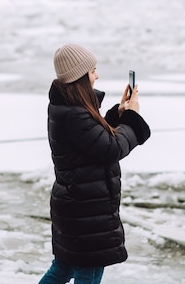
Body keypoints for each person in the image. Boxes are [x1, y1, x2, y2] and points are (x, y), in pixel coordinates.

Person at [39, 44, 151, 284]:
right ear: (80, 77)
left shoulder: (67, 108)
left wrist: (119, 114)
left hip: (75, 205)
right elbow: (111, 148)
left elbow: (91, 141)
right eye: (92, 70)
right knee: (87, 273)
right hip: (85, 211)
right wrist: (133, 119)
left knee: (62, 268)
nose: (96, 75)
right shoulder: (75, 114)